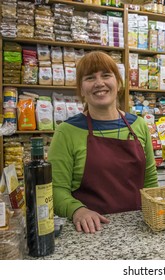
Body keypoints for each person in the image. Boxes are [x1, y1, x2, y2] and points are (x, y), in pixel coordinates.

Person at [48, 51, 158, 234]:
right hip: (91, 230)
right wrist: (77, 210)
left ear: (119, 83)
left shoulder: (138, 125)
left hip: (141, 225)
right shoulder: (67, 131)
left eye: (106, 75)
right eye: (90, 78)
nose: (99, 83)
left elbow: (150, 179)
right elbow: (55, 188)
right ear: (81, 90)